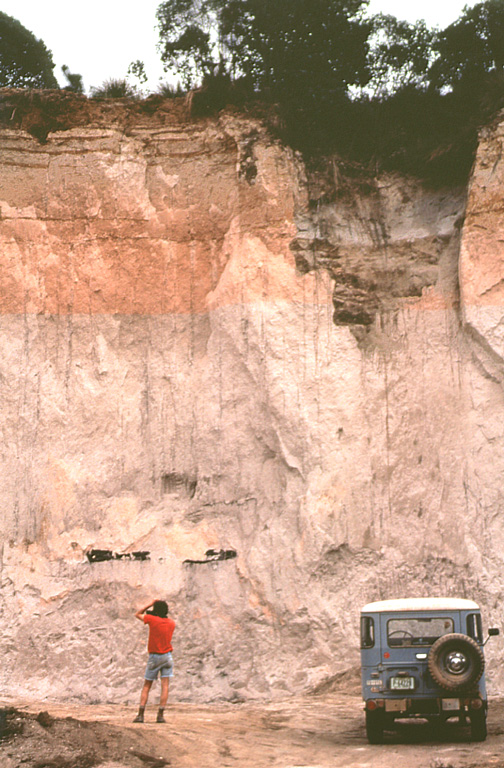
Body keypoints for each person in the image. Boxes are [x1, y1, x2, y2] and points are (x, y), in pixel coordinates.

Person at [133, 598, 176, 723]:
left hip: (154, 656)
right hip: (167, 656)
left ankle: (140, 715)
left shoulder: (152, 620)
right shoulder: (171, 623)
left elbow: (138, 614)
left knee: (147, 685)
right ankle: (160, 715)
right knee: (165, 686)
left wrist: (150, 604)